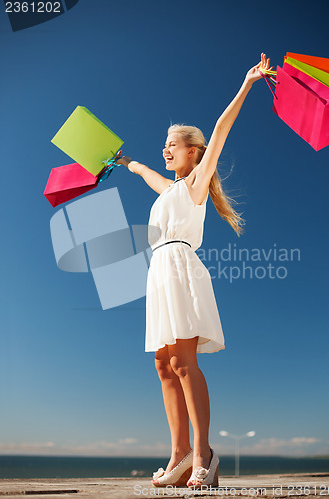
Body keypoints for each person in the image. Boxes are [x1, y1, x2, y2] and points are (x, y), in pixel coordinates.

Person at [116, 53, 272, 489]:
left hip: (181, 267)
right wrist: (127, 163)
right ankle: (179, 453)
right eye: (163, 144)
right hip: (158, 271)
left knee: (184, 361)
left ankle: (204, 454)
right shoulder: (169, 189)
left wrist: (246, 83)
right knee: (163, 364)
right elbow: (147, 174)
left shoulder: (197, 182)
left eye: (172, 143)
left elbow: (221, 128)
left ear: (194, 151)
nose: (164, 149)